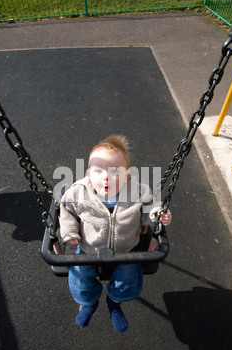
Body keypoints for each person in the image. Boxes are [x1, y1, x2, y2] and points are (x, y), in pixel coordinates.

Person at [59, 134, 172, 332]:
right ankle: (89, 303)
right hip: (88, 248)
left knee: (129, 279)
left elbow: (151, 206)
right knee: (79, 277)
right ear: (88, 174)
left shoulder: (136, 190)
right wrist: (70, 234)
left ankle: (114, 302)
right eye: (98, 170)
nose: (105, 177)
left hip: (126, 248)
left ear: (127, 176)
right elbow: (66, 210)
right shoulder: (79, 191)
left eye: (114, 172)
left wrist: (159, 215)